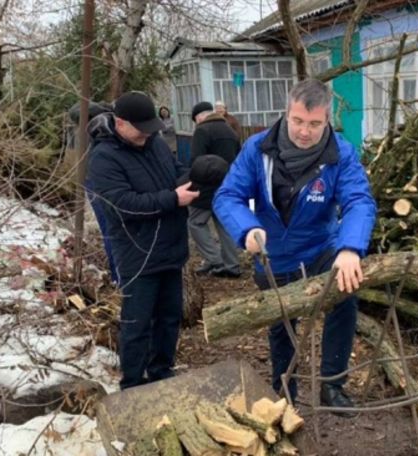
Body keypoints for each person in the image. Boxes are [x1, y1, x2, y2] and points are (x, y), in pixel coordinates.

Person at [213, 79, 376, 413]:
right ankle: (284, 388)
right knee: (281, 324)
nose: (305, 131)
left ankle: (333, 385)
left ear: (327, 120)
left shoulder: (340, 153)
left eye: (315, 124)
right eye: (298, 121)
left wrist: (350, 248)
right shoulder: (257, 149)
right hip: (273, 253)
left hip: (321, 247)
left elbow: (359, 200)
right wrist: (247, 229)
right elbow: (228, 196)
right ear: (286, 114)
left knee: (345, 296)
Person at [85, 91, 199, 390]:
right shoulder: (103, 158)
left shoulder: (156, 144)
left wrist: (194, 178)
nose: (148, 133)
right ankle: (133, 382)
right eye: (142, 127)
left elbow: (175, 172)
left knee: (169, 317)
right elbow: (122, 204)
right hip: (138, 252)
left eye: (151, 127)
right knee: (137, 323)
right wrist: (173, 198)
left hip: (172, 248)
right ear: (120, 123)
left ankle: (161, 370)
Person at [188, 101, 242, 278]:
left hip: (205, 186)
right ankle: (232, 264)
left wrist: (190, 184)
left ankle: (214, 259)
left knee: (195, 222)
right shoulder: (230, 132)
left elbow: (197, 161)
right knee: (224, 224)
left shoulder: (202, 131)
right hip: (227, 185)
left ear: (199, 117)